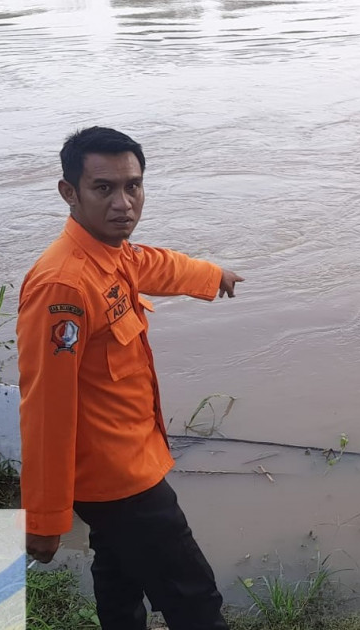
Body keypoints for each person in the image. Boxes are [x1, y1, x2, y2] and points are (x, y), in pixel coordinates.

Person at [17, 126, 243, 630]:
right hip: (116, 480)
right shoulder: (64, 286)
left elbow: (151, 264)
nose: (124, 203)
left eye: (133, 186)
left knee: (118, 573)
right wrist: (46, 518)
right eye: (104, 188)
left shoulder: (110, 253)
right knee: (194, 595)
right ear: (69, 192)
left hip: (131, 455)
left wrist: (212, 275)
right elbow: (45, 412)